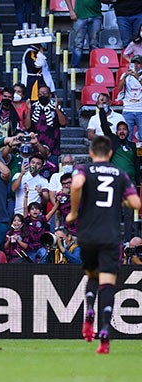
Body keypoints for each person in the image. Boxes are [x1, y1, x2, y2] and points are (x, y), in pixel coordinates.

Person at [67, 135, 141, 354]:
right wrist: (124, 199)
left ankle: (89, 308)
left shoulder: (84, 170)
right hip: (110, 235)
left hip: (88, 234)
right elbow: (136, 203)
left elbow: (77, 184)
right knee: (107, 282)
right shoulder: (120, 173)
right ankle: (105, 330)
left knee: (92, 275)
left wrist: (73, 212)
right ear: (110, 154)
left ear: (91, 153)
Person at [65, 0, 103, 69]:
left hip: (95, 15)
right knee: (78, 44)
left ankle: (94, 67)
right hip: (81, 16)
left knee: (94, 44)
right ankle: (75, 67)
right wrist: (71, 11)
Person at [116, 54, 142, 140]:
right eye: (133, 63)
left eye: (138, 63)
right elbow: (119, 88)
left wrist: (137, 77)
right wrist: (125, 76)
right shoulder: (125, 75)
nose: (136, 65)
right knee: (127, 137)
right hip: (128, 109)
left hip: (140, 109)